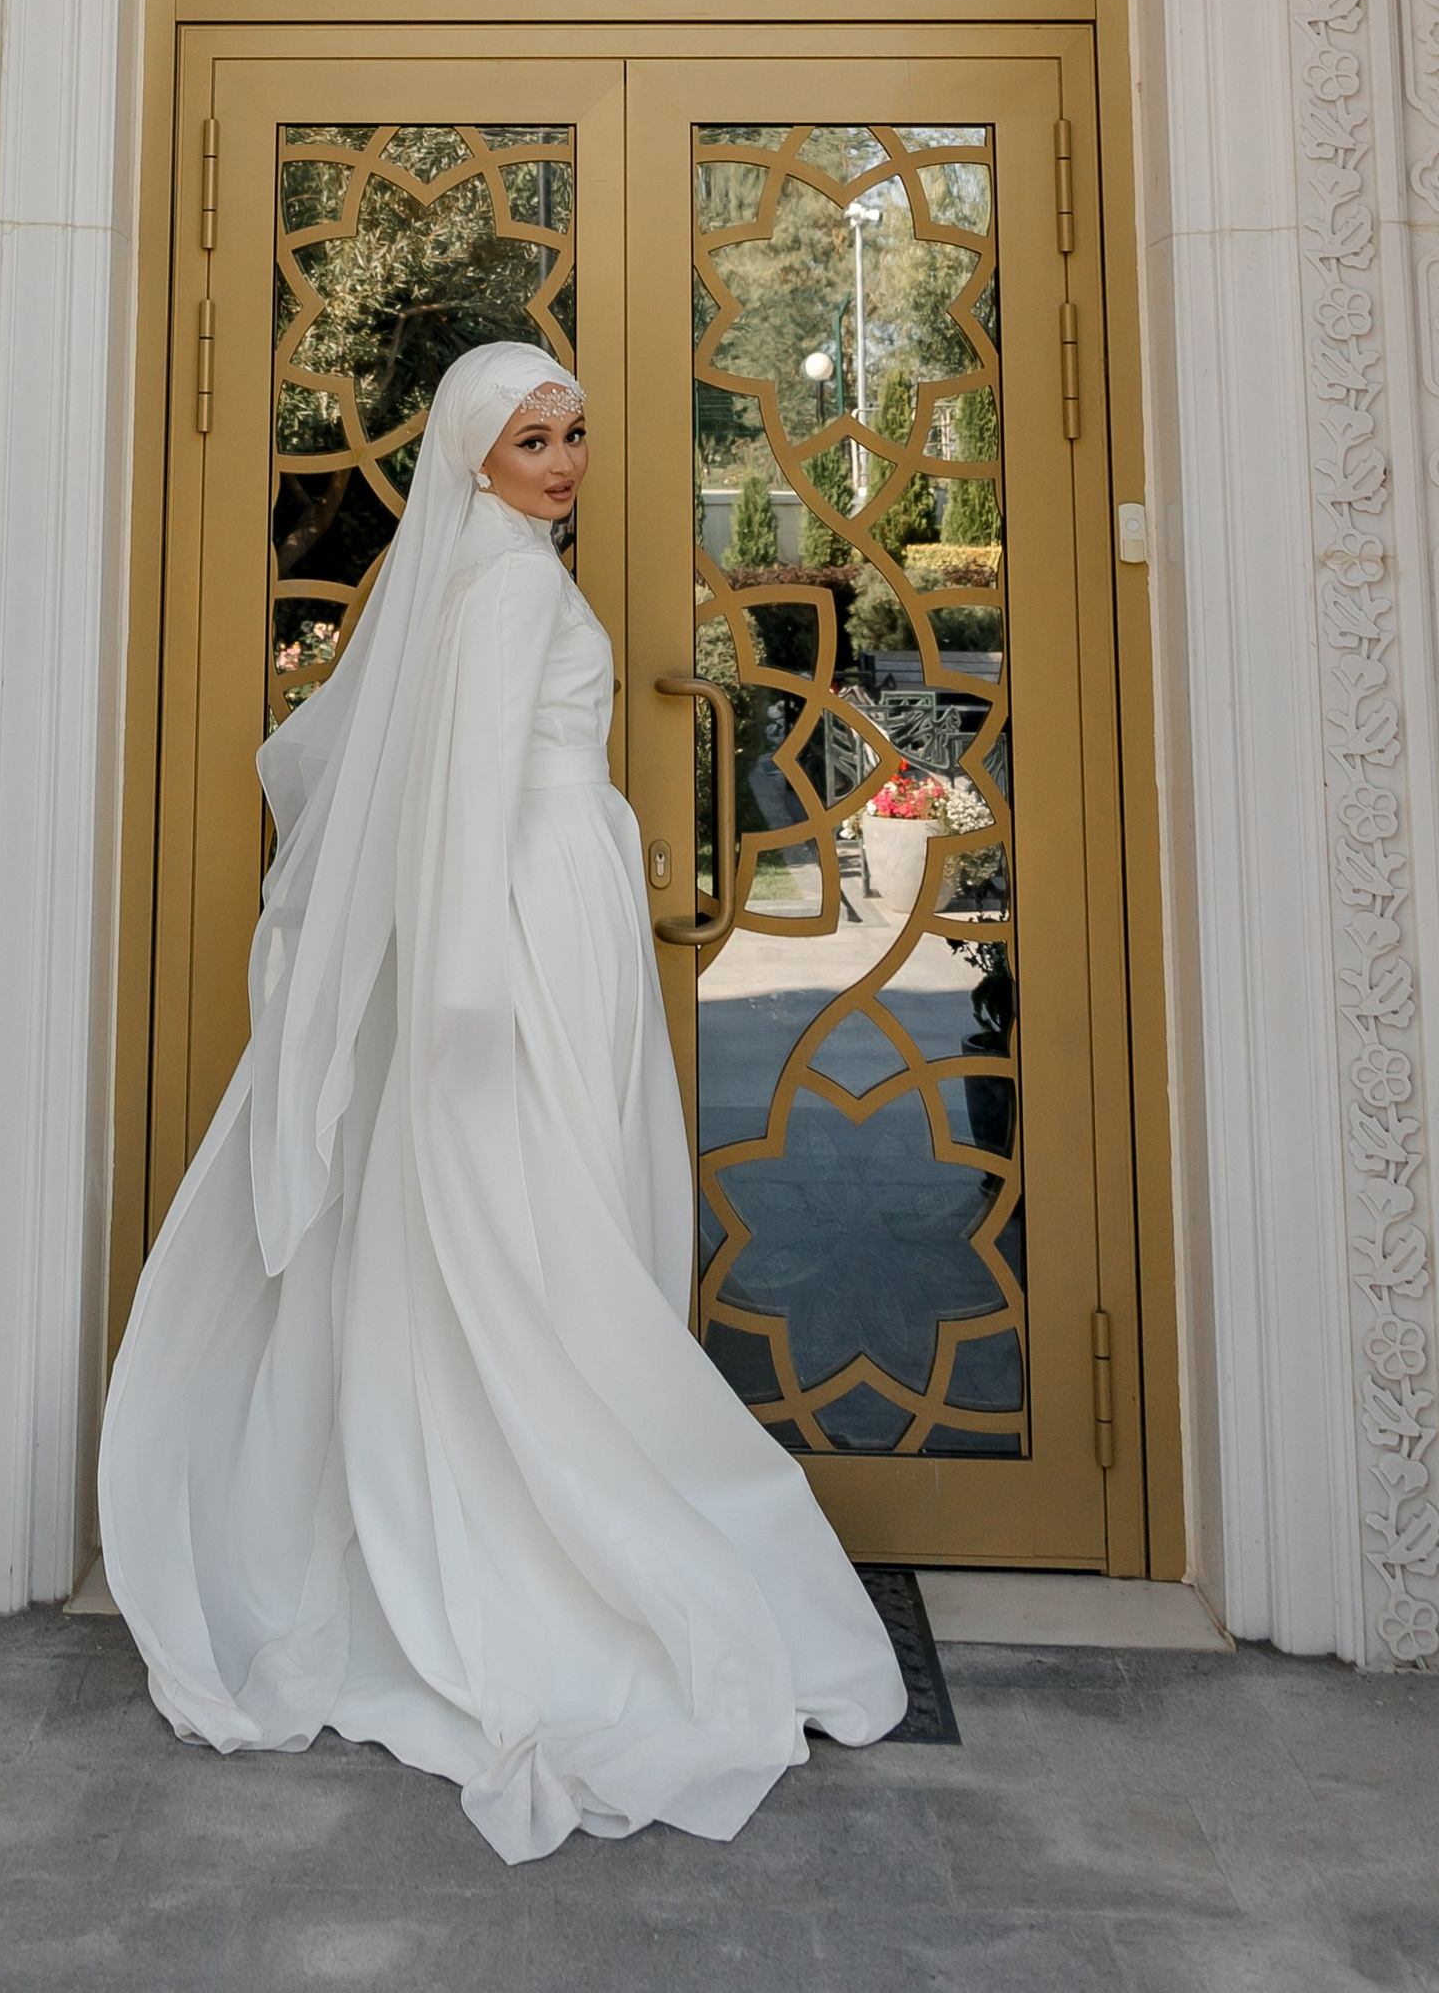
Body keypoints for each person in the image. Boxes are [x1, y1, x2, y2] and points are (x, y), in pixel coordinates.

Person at [98, 338, 905, 1861]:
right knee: (539, 1236)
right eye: (534, 438)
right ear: (475, 455)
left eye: (577, 431)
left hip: (555, 909)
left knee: (547, 1225)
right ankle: (573, 1541)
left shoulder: (503, 567)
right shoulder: (512, 584)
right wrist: (466, 1003)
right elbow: (458, 813)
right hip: (525, 929)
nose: (566, 458)